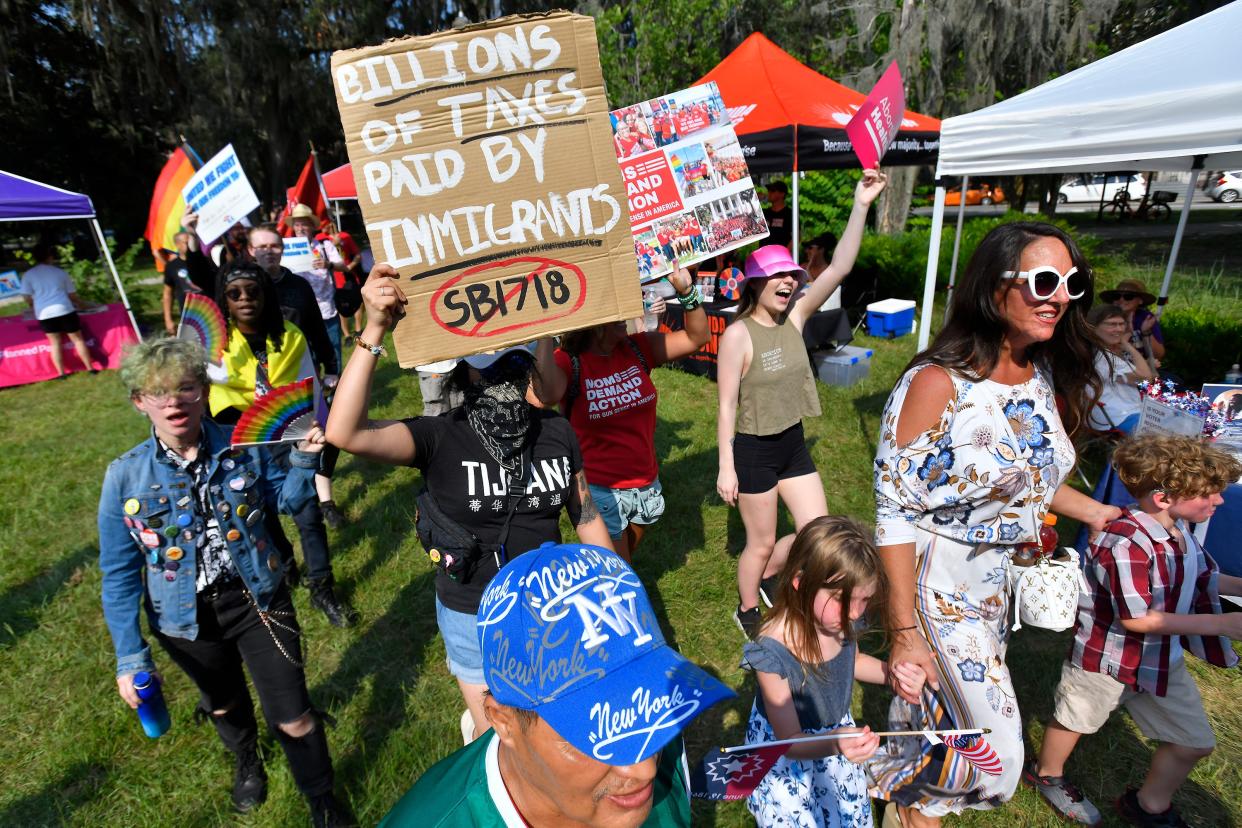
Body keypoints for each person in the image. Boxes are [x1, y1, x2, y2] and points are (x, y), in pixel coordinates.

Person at [869, 222, 1123, 827]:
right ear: (994, 288)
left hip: (994, 591)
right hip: (937, 587)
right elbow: (894, 511)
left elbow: (1028, 480)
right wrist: (904, 631)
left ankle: (903, 805)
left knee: (936, 735)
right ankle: (859, 769)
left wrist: (1099, 514)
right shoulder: (936, 383)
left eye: (1071, 283)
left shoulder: (1037, 374)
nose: (1059, 296)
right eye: (1042, 280)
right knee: (996, 754)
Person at [325, 264, 613, 741]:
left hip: (548, 606)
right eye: (490, 369)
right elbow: (345, 432)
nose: (505, 380)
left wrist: (617, 593)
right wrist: (374, 328)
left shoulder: (556, 433)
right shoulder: (440, 437)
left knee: (555, 729)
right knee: (505, 741)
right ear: (464, 376)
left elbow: (585, 515)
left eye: (515, 366)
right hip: (473, 612)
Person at [97, 337, 353, 827]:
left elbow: (290, 502)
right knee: (224, 705)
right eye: (159, 392)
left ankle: (321, 798)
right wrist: (130, 657)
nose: (174, 402)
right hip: (182, 619)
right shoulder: (123, 477)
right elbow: (119, 575)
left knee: (294, 713)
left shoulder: (243, 444)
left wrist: (303, 459)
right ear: (139, 401)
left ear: (203, 392)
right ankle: (247, 761)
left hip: (259, 599)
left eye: (186, 388)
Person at [380, 541, 734, 827]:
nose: (644, 769)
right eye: (594, 732)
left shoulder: (662, 740)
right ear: (502, 720)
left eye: (646, 705)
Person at [1025, 436, 1242, 827]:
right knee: (1076, 718)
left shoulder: (1177, 531)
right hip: (1106, 660)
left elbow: (1202, 574)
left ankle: (1149, 805)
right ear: (1163, 498)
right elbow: (1137, 618)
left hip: (1159, 661)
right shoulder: (1126, 543)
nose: (1220, 502)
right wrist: (1221, 623)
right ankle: (1046, 773)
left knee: (1194, 742)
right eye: (1209, 494)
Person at [717, 169, 887, 640]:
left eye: (792, 277)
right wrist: (726, 468)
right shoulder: (737, 335)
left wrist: (861, 204)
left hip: (791, 443)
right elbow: (726, 407)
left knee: (818, 532)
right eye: (778, 278)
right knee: (761, 541)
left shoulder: (797, 318)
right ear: (754, 283)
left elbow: (840, 269)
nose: (789, 284)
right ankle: (749, 607)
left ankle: (782, 581)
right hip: (753, 449)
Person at [743, 516, 925, 827]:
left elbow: (851, 662)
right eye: (843, 600)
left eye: (864, 599)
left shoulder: (840, 618)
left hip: (837, 738)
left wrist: (893, 675)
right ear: (801, 583)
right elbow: (788, 740)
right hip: (790, 758)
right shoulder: (771, 650)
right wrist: (835, 742)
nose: (855, 613)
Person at [209, 262, 355, 628]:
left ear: (266, 295)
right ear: (224, 300)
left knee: (307, 512)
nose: (245, 299)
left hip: (289, 437)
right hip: (238, 441)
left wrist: (320, 429)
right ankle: (286, 563)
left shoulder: (291, 337)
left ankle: (322, 586)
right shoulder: (216, 347)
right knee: (258, 510)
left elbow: (310, 387)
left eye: (253, 292)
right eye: (235, 293)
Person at [534, 264, 709, 560]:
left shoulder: (638, 347)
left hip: (645, 484)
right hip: (599, 488)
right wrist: (543, 337)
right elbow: (543, 397)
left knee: (620, 562)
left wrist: (686, 291)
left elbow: (696, 338)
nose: (629, 311)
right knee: (618, 575)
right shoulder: (569, 361)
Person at [19, 242, 98, 378]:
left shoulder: (28, 275)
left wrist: (33, 305)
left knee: (55, 343)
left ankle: (61, 373)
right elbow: (72, 296)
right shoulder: (60, 272)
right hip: (64, 309)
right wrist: (84, 305)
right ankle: (90, 368)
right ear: (50, 257)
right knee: (78, 340)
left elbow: (26, 297)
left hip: (44, 313)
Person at [288, 203, 346, 371]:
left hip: (327, 309)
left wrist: (328, 264)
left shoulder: (324, 246)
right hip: (302, 312)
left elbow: (343, 266)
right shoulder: (287, 248)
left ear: (312, 226)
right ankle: (317, 392)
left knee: (333, 352)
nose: (300, 228)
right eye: (297, 224)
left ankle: (336, 392)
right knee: (308, 358)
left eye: (304, 223)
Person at [1086, 304, 1154, 433]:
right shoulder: (1099, 356)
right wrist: (1126, 344)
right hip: (1116, 417)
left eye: (1121, 324)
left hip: (1123, 413)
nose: (1118, 329)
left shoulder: (1101, 352)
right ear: (1093, 327)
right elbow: (1146, 378)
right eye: (1112, 324)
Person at [160, 214, 216, 335]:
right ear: (177, 245)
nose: (190, 243)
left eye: (192, 240)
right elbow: (167, 294)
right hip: (189, 316)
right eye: (186, 242)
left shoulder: (203, 261)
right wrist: (168, 319)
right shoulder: (171, 266)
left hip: (211, 312)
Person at [317, 220, 364, 339]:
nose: (325, 227)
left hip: (350, 274)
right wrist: (333, 242)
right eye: (322, 225)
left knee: (357, 302)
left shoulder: (345, 236)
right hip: (334, 278)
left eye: (326, 224)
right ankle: (347, 335)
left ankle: (358, 330)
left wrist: (350, 266)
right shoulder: (320, 239)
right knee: (340, 305)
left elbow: (357, 255)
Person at [1100, 279, 1166, 364]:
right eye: (1117, 296)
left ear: (1140, 301)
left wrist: (1146, 332)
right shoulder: (1105, 317)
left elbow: (1158, 355)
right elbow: (1104, 352)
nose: (1121, 299)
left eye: (1128, 296)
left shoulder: (1145, 318)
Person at [802, 231, 842, 310]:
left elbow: (817, 294)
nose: (806, 251)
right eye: (806, 248)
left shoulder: (828, 271)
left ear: (821, 250)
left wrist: (808, 270)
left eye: (810, 248)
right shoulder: (802, 266)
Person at [762, 181, 793, 251]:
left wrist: (785, 253)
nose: (769, 193)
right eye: (768, 190)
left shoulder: (789, 214)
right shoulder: (765, 213)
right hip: (764, 256)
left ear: (782, 194)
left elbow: (797, 237)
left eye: (773, 190)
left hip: (780, 256)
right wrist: (756, 198)